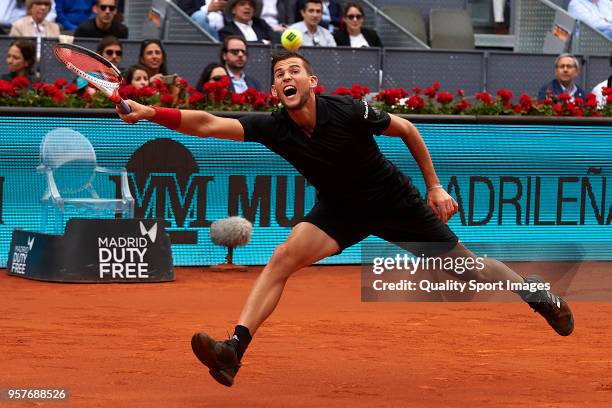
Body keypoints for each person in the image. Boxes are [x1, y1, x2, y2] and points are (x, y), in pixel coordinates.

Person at [117, 50, 575, 387]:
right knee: (283, 256)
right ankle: (233, 350)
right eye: (279, 75)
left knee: (468, 270)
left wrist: (434, 187)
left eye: (294, 70)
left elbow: (409, 129)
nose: (286, 77)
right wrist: (150, 112)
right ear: (275, 92)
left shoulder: (348, 110)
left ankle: (535, 294)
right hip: (340, 208)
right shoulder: (274, 126)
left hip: (393, 202)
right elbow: (206, 123)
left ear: (312, 81)